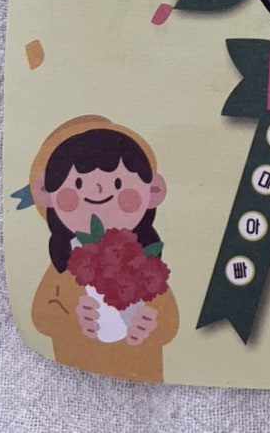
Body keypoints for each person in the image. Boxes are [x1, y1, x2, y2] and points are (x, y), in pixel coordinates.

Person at [29, 115, 179, 382]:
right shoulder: (65, 265)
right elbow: (41, 317)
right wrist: (76, 314)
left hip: (143, 372)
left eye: (118, 184)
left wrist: (150, 323)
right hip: (73, 375)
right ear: (45, 193)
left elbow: (169, 321)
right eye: (77, 184)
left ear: (154, 191)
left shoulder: (144, 266)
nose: (97, 190)